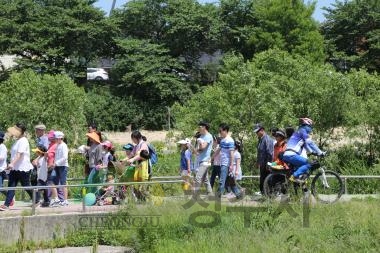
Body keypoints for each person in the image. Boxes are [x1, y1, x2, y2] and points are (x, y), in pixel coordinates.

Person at [0, 123, 37, 211]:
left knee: (26, 185)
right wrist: (11, 165)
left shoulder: (24, 140)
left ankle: (37, 198)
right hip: (15, 168)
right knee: (11, 186)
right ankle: (6, 204)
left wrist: (12, 163)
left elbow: (19, 154)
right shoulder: (17, 140)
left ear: (20, 131)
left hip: (23, 168)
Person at [282, 118, 325, 183]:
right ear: (306, 125)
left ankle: (293, 182)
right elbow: (310, 143)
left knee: (300, 168)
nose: (311, 129)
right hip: (292, 155)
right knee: (309, 163)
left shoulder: (297, 133)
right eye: (310, 127)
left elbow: (306, 146)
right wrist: (320, 152)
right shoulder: (302, 131)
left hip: (286, 155)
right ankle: (294, 176)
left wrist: (313, 152)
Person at [214, 123, 242, 199]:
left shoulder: (230, 140)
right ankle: (239, 194)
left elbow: (232, 154)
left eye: (220, 131)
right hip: (222, 163)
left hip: (226, 164)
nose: (219, 133)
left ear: (225, 130)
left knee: (221, 181)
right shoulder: (223, 140)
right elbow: (218, 150)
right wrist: (211, 158)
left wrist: (231, 165)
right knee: (228, 181)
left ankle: (217, 196)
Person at [193, 122, 213, 196]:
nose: (198, 128)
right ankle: (210, 194)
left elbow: (203, 148)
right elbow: (198, 149)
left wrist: (200, 143)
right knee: (205, 179)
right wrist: (194, 149)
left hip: (205, 161)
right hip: (200, 160)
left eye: (200, 127)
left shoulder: (208, 136)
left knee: (198, 178)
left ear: (204, 127)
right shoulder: (201, 136)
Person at [253, 123, 274, 195]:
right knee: (262, 180)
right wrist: (258, 162)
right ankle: (263, 194)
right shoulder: (260, 139)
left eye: (257, 131)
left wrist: (269, 164)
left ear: (262, 130)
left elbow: (270, 153)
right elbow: (259, 152)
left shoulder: (267, 139)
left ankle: (269, 195)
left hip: (267, 164)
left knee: (267, 180)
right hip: (262, 164)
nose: (256, 133)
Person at [54, 131, 69, 206]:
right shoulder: (57, 145)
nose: (55, 140)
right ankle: (59, 199)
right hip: (57, 166)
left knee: (63, 183)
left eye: (56, 138)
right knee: (55, 181)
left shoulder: (64, 145)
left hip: (63, 166)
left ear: (60, 138)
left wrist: (56, 163)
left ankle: (65, 200)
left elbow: (65, 157)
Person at [0, 131, 8, 198]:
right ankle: (9, 197)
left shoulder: (2, 146)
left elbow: (2, 157)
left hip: (1, 170)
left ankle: (9, 197)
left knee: (0, 187)